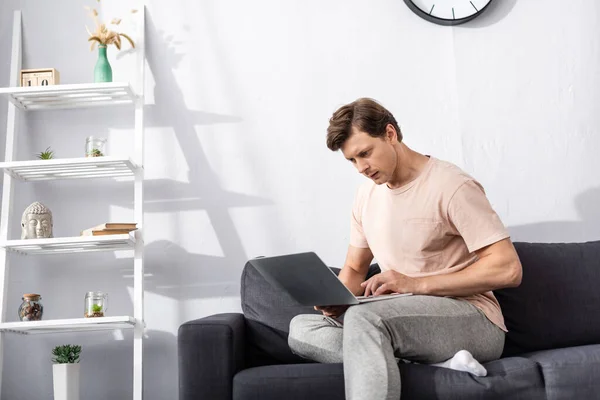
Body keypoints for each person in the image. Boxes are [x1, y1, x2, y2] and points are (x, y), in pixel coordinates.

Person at [287, 98, 523, 400]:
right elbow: (355, 268)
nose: (361, 168)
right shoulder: (366, 196)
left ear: (390, 134)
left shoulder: (451, 185)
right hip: (400, 319)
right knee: (302, 329)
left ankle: (407, 359)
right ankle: (441, 365)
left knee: (364, 322)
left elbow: (508, 268)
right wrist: (336, 299)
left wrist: (416, 284)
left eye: (365, 154)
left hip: (472, 318)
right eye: (352, 160)